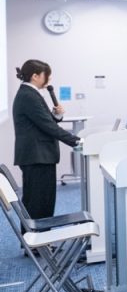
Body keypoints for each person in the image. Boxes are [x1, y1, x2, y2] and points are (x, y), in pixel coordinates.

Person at [12, 60, 80, 219]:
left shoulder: (30, 93)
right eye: (46, 75)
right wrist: (76, 141)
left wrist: (57, 115)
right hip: (37, 157)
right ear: (35, 76)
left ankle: (38, 235)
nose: (49, 79)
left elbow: (44, 122)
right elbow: (48, 126)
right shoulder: (28, 95)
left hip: (39, 156)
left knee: (41, 202)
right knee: (38, 204)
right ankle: (36, 235)